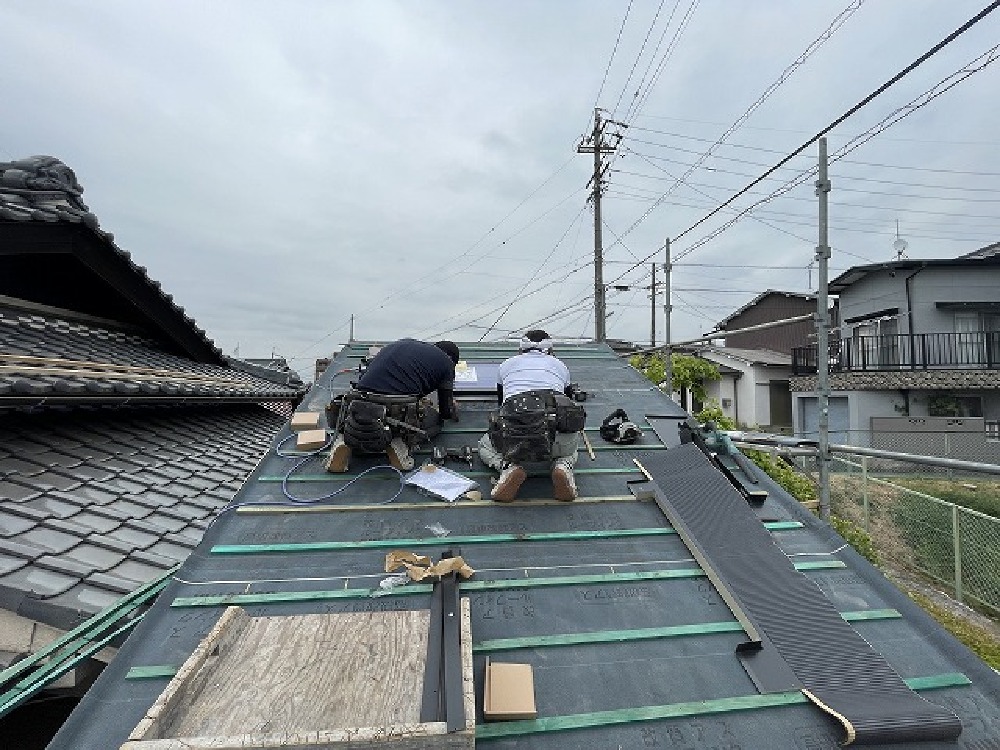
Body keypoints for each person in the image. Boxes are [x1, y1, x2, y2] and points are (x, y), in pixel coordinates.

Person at [478, 330, 585, 502]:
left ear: (521, 349)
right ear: (550, 350)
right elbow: (567, 403)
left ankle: (508, 467)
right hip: (556, 439)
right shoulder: (560, 366)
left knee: (485, 445)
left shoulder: (505, 365)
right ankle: (563, 466)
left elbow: (502, 406)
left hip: (515, 440)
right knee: (571, 446)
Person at [328, 339, 460, 472]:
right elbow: (446, 412)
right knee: (436, 421)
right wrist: (451, 407)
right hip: (395, 407)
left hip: (359, 401)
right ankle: (398, 441)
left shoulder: (402, 344)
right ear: (451, 359)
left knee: (362, 417)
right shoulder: (446, 363)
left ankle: (344, 440)